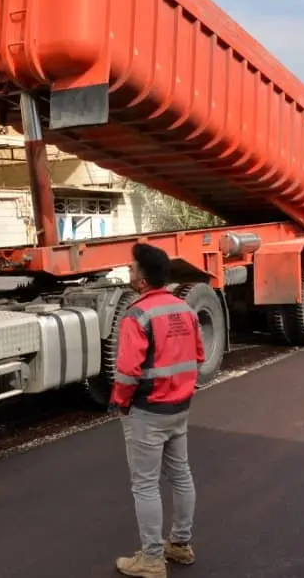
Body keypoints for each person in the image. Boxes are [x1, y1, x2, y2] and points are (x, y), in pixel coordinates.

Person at [110, 243, 205, 578]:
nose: (129, 272)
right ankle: (180, 544)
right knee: (180, 474)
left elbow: (126, 373)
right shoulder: (185, 309)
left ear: (142, 280)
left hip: (147, 411)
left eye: (132, 268)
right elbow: (198, 356)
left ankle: (151, 559)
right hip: (179, 407)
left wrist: (120, 403)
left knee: (145, 485)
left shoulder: (137, 315)